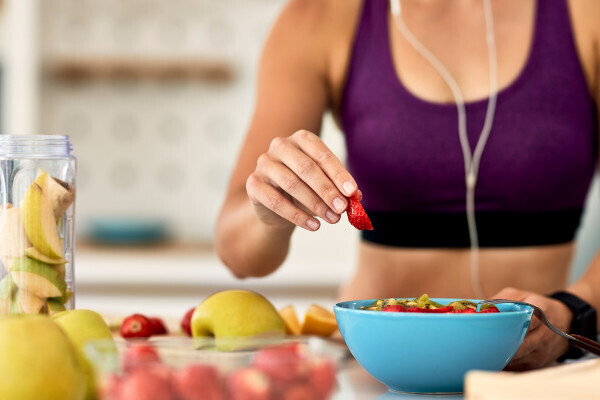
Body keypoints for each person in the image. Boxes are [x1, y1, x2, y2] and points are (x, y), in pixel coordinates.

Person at [215, 0, 599, 370]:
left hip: (531, 364)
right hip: (372, 366)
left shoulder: (586, 13)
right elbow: (238, 253)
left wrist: (573, 308)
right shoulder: (320, 16)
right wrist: (267, 211)